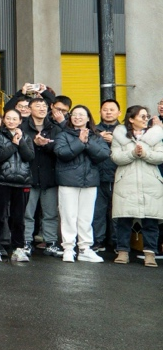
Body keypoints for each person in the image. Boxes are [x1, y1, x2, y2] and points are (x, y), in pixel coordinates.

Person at [53, 105, 111, 263]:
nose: (77, 117)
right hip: (68, 180)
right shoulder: (63, 135)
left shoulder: (96, 136)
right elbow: (61, 153)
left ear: (88, 118)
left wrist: (87, 143)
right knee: (68, 216)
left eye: (81, 115)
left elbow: (104, 154)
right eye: (74, 114)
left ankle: (85, 248)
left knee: (86, 217)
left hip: (90, 181)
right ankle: (68, 248)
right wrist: (79, 142)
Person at [109, 105, 163, 267]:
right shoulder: (119, 135)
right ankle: (123, 251)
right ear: (131, 119)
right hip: (126, 182)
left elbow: (160, 156)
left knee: (150, 220)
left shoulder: (155, 135)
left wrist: (145, 154)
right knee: (124, 219)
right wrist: (132, 154)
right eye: (142, 117)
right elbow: (116, 157)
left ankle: (150, 253)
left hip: (150, 182)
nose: (145, 119)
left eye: (146, 116)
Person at [0, 109, 34, 262]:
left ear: (20, 121)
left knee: (18, 218)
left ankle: (18, 248)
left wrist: (20, 142)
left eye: (15, 119)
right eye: (8, 118)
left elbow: (29, 157)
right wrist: (14, 144)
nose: (11, 121)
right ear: (4, 120)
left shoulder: (26, 136)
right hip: (1, 180)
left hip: (22, 182)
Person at [23, 96, 62, 256]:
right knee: (27, 212)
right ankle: (25, 241)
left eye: (44, 106)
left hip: (49, 177)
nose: (42, 108)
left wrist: (46, 145)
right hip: (28, 176)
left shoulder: (54, 127)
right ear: (29, 109)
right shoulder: (23, 126)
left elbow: (61, 147)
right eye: (37, 105)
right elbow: (18, 146)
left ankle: (51, 242)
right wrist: (33, 143)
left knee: (51, 213)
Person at [91, 99, 121, 252]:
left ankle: (117, 242)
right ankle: (98, 241)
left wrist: (115, 140)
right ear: (100, 112)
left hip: (119, 176)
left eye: (112, 109)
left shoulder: (124, 130)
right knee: (98, 211)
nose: (108, 112)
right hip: (98, 175)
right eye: (105, 109)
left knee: (117, 212)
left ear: (119, 113)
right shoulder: (94, 130)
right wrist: (98, 138)